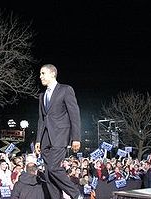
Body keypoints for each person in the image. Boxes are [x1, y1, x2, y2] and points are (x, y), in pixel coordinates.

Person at [35, 64, 83, 199]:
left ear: (52, 74)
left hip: (60, 136)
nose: (40, 77)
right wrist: (38, 139)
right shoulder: (42, 96)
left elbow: (74, 114)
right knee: (49, 175)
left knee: (53, 168)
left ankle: (76, 195)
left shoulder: (66, 89)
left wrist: (76, 137)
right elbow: (41, 119)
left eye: (42, 73)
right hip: (45, 138)